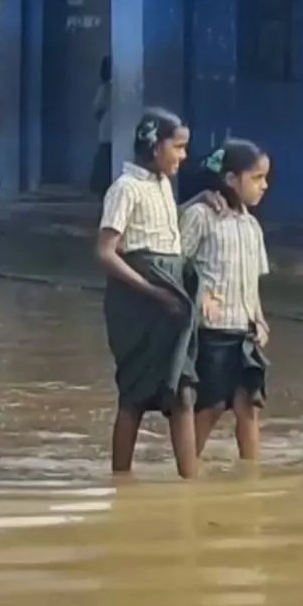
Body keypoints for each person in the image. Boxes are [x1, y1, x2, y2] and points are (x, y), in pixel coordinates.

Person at [94, 108, 199, 479]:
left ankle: (192, 485)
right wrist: (153, 291)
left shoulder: (162, 187)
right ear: (156, 147)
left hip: (170, 299)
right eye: (179, 147)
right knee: (135, 395)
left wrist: (202, 201)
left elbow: (163, 232)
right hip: (138, 304)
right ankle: (120, 480)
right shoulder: (125, 189)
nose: (183, 156)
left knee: (183, 389)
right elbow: (106, 251)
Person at [178, 140, 273, 463]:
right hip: (213, 332)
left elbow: (252, 283)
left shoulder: (251, 226)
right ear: (232, 179)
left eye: (265, 178)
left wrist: (259, 319)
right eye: (257, 178)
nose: (265, 185)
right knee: (212, 405)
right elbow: (174, 264)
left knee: (248, 406)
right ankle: (186, 472)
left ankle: (252, 478)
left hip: (244, 331)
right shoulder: (201, 216)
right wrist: (200, 293)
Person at [87, 57, 113, 195]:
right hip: (112, 131)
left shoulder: (104, 88)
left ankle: (98, 186)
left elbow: (97, 109)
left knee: (103, 159)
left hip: (106, 130)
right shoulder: (112, 87)